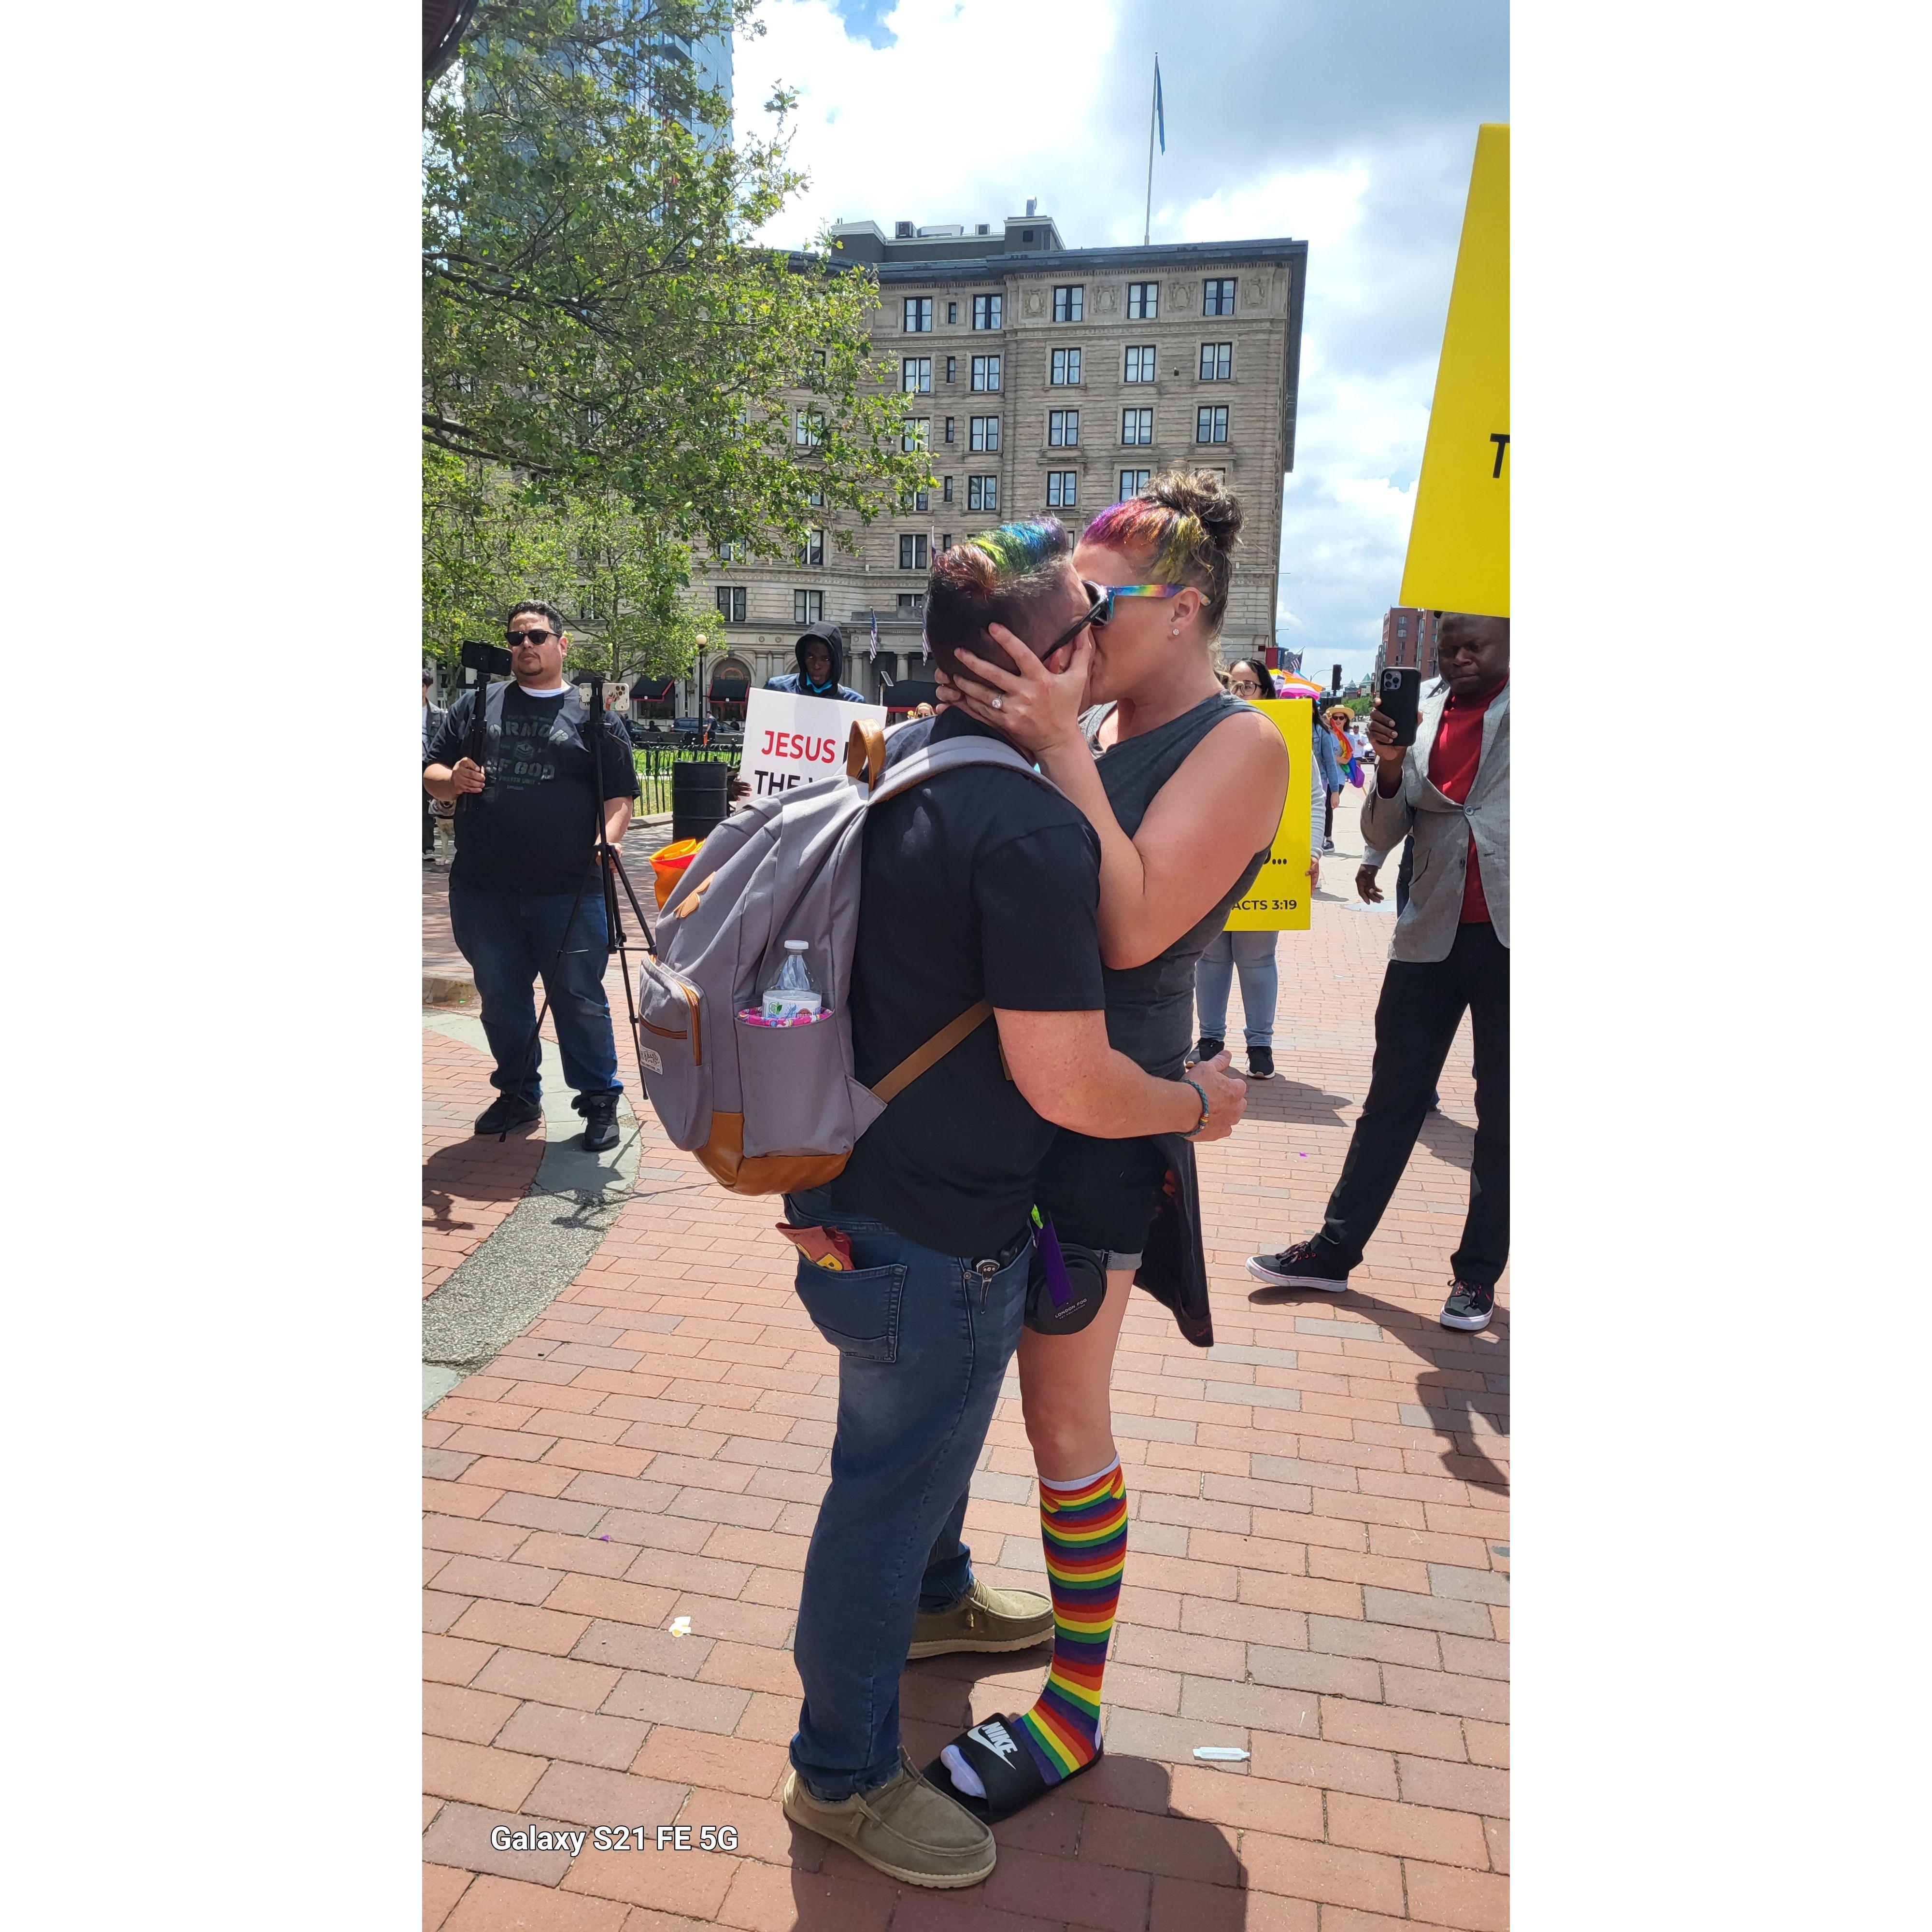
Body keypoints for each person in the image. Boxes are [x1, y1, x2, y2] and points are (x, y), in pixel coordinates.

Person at [777, 519, 1248, 1890]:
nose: (1105, 625)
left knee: (899, 1470)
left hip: (848, 1190)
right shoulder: (1035, 821)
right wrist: (1195, 1110)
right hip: (943, 1232)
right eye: (1089, 609)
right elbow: (1070, 1075)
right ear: (1059, 655)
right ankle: (846, 1777)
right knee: (886, 1489)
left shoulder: (908, 761)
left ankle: (934, 1604)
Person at [928, 471, 1287, 1824]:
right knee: (958, 1375)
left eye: (1096, 596)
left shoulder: (1239, 745)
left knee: (1063, 1416)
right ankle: (939, 1595)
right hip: (999, 1096)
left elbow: (1134, 930)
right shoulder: (1082, 715)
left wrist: (1061, 748)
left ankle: (1074, 1705)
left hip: (1107, 1110)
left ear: (1182, 610)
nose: (1068, 616)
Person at [1248, 613, 1509, 1331]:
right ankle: (1334, 1253)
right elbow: (1383, 830)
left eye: (1472, 646)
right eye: (1446, 646)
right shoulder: (1418, 708)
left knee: (1506, 1115)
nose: (1456, 658)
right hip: (1428, 931)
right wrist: (1391, 769)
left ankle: (1476, 1277)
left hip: (1515, 940)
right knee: (1391, 1100)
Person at [422, 602, 640, 1152]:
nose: (525, 645)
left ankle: (597, 1098)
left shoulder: (594, 716)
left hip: (570, 890)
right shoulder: (476, 706)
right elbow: (432, 773)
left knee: (580, 998)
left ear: (561, 645)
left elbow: (619, 794)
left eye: (537, 636)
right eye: (516, 637)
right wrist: (454, 779)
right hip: (483, 888)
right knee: (501, 997)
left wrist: (608, 840)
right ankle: (517, 1092)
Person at [1191, 657, 1323, 1080]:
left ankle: (1260, 1043)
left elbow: (1313, 797)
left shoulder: (1288, 734)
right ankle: (1210, 1039)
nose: (1242, 692)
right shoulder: (1205, 728)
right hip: (1212, 864)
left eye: (1250, 686)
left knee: (1257, 957)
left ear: (1266, 691)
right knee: (1210, 955)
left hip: (1271, 867)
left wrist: (1314, 851)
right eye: (1234, 684)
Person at [764, 619, 866, 702]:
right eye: (811, 657)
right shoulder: (776, 689)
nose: (816, 666)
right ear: (803, 658)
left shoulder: (853, 702)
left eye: (825, 659)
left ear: (835, 662)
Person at [422, 664, 448, 867]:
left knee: (427, 809)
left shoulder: (438, 714)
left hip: (426, 765)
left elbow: (441, 743)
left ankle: (428, 848)